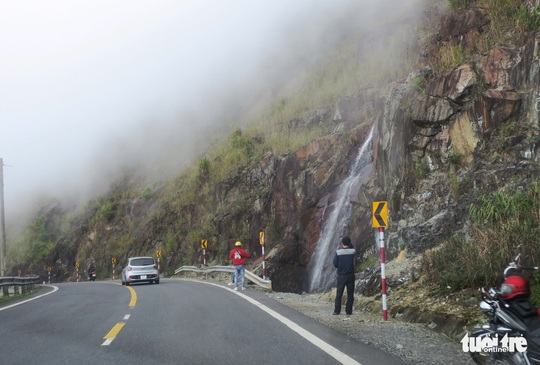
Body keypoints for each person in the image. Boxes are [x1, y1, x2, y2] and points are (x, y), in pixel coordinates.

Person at [332, 236, 356, 315]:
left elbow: (335, 264)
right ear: (350, 243)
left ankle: (337, 311)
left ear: (342, 243)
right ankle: (349, 311)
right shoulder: (353, 251)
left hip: (342, 275)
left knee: (339, 293)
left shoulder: (338, 252)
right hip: (351, 275)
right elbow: (352, 248)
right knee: (350, 294)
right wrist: (350, 244)